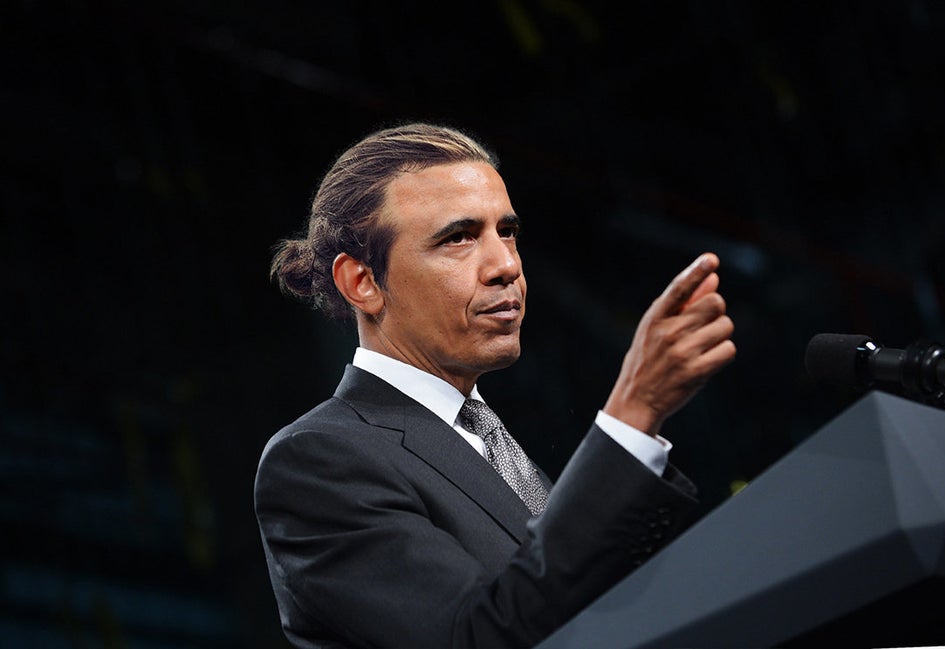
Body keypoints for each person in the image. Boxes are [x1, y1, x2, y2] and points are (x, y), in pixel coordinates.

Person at [254, 122, 736, 649]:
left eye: (506, 232)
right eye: (458, 237)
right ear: (363, 283)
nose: (506, 265)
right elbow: (475, 637)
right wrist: (634, 409)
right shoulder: (319, 459)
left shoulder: (491, 439)